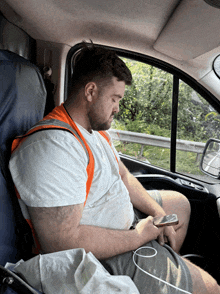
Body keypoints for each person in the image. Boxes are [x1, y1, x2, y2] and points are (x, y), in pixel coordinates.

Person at [9, 43, 220, 294]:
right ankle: (160, 271)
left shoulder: (92, 132)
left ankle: (162, 270)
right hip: (101, 253)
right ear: (90, 91)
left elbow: (122, 174)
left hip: (123, 223)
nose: (118, 107)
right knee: (212, 288)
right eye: (114, 98)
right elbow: (62, 242)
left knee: (181, 206)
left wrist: (158, 215)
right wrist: (139, 237)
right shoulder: (53, 146)